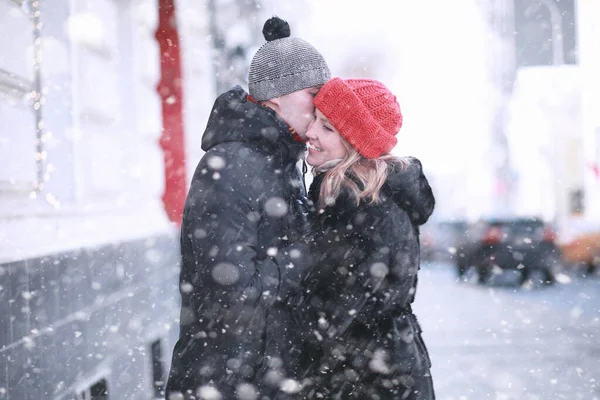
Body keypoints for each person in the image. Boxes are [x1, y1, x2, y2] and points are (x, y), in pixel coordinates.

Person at [165, 16, 330, 399]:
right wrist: (311, 254)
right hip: (228, 380)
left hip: (260, 375)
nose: (323, 105)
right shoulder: (234, 165)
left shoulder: (280, 160)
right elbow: (233, 292)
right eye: (314, 93)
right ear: (276, 97)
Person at [292, 77, 436, 399]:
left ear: (355, 143)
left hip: (364, 379)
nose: (311, 132)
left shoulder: (356, 205)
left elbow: (335, 312)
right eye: (315, 118)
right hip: (385, 368)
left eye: (327, 128)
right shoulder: (363, 195)